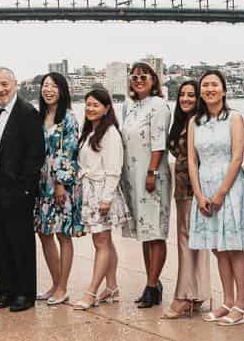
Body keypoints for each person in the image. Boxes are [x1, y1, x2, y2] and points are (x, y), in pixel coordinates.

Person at [188, 70, 244, 327]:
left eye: (215, 85)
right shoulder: (195, 121)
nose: (210, 89)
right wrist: (199, 193)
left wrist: (221, 193)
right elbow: (193, 160)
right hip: (203, 185)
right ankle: (226, 301)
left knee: (233, 247)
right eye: (205, 85)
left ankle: (241, 304)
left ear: (224, 90)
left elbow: (237, 157)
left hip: (229, 186)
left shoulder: (234, 118)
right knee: (217, 247)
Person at [0, 67, 45, 312]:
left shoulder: (27, 113)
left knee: (20, 243)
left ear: (15, 84)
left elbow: (35, 153)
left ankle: (25, 294)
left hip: (16, 189)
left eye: (4, 84)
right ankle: (6, 291)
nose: (0, 89)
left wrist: (25, 189)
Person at [71, 87, 130, 310]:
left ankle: (91, 291)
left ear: (106, 109)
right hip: (89, 191)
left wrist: (106, 199)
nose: (90, 108)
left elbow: (114, 169)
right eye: (88, 104)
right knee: (105, 242)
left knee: (101, 243)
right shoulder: (90, 132)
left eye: (96, 105)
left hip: (102, 193)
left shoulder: (111, 133)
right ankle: (112, 287)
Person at [119, 62, 172, 308]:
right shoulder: (129, 106)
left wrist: (151, 172)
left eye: (144, 76)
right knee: (144, 232)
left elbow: (158, 143)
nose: (139, 80)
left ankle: (152, 285)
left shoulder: (159, 105)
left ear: (153, 80)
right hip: (133, 177)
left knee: (155, 231)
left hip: (152, 175)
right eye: (135, 76)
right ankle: (151, 282)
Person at [160, 80, 212, 319]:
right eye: (183, 95)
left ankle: (185, 296)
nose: (186, 99)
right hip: (182, 189)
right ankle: (197, 294)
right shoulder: (183, 122)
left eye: (192, 95)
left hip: (194, 189)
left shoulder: (198, 123)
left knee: (188, 241)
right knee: (192, 241)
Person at [34, 72, 83, 305]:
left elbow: (70, 153)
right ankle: (55, 283)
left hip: (61, 184)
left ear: (62, 90)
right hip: (40, 184)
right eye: (45, 85)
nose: (49, 90)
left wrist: (61, 184)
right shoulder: (39, 116)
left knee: (63, 234)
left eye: (54, 86)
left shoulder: (69, 119)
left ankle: (63, 287)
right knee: (44, 233)